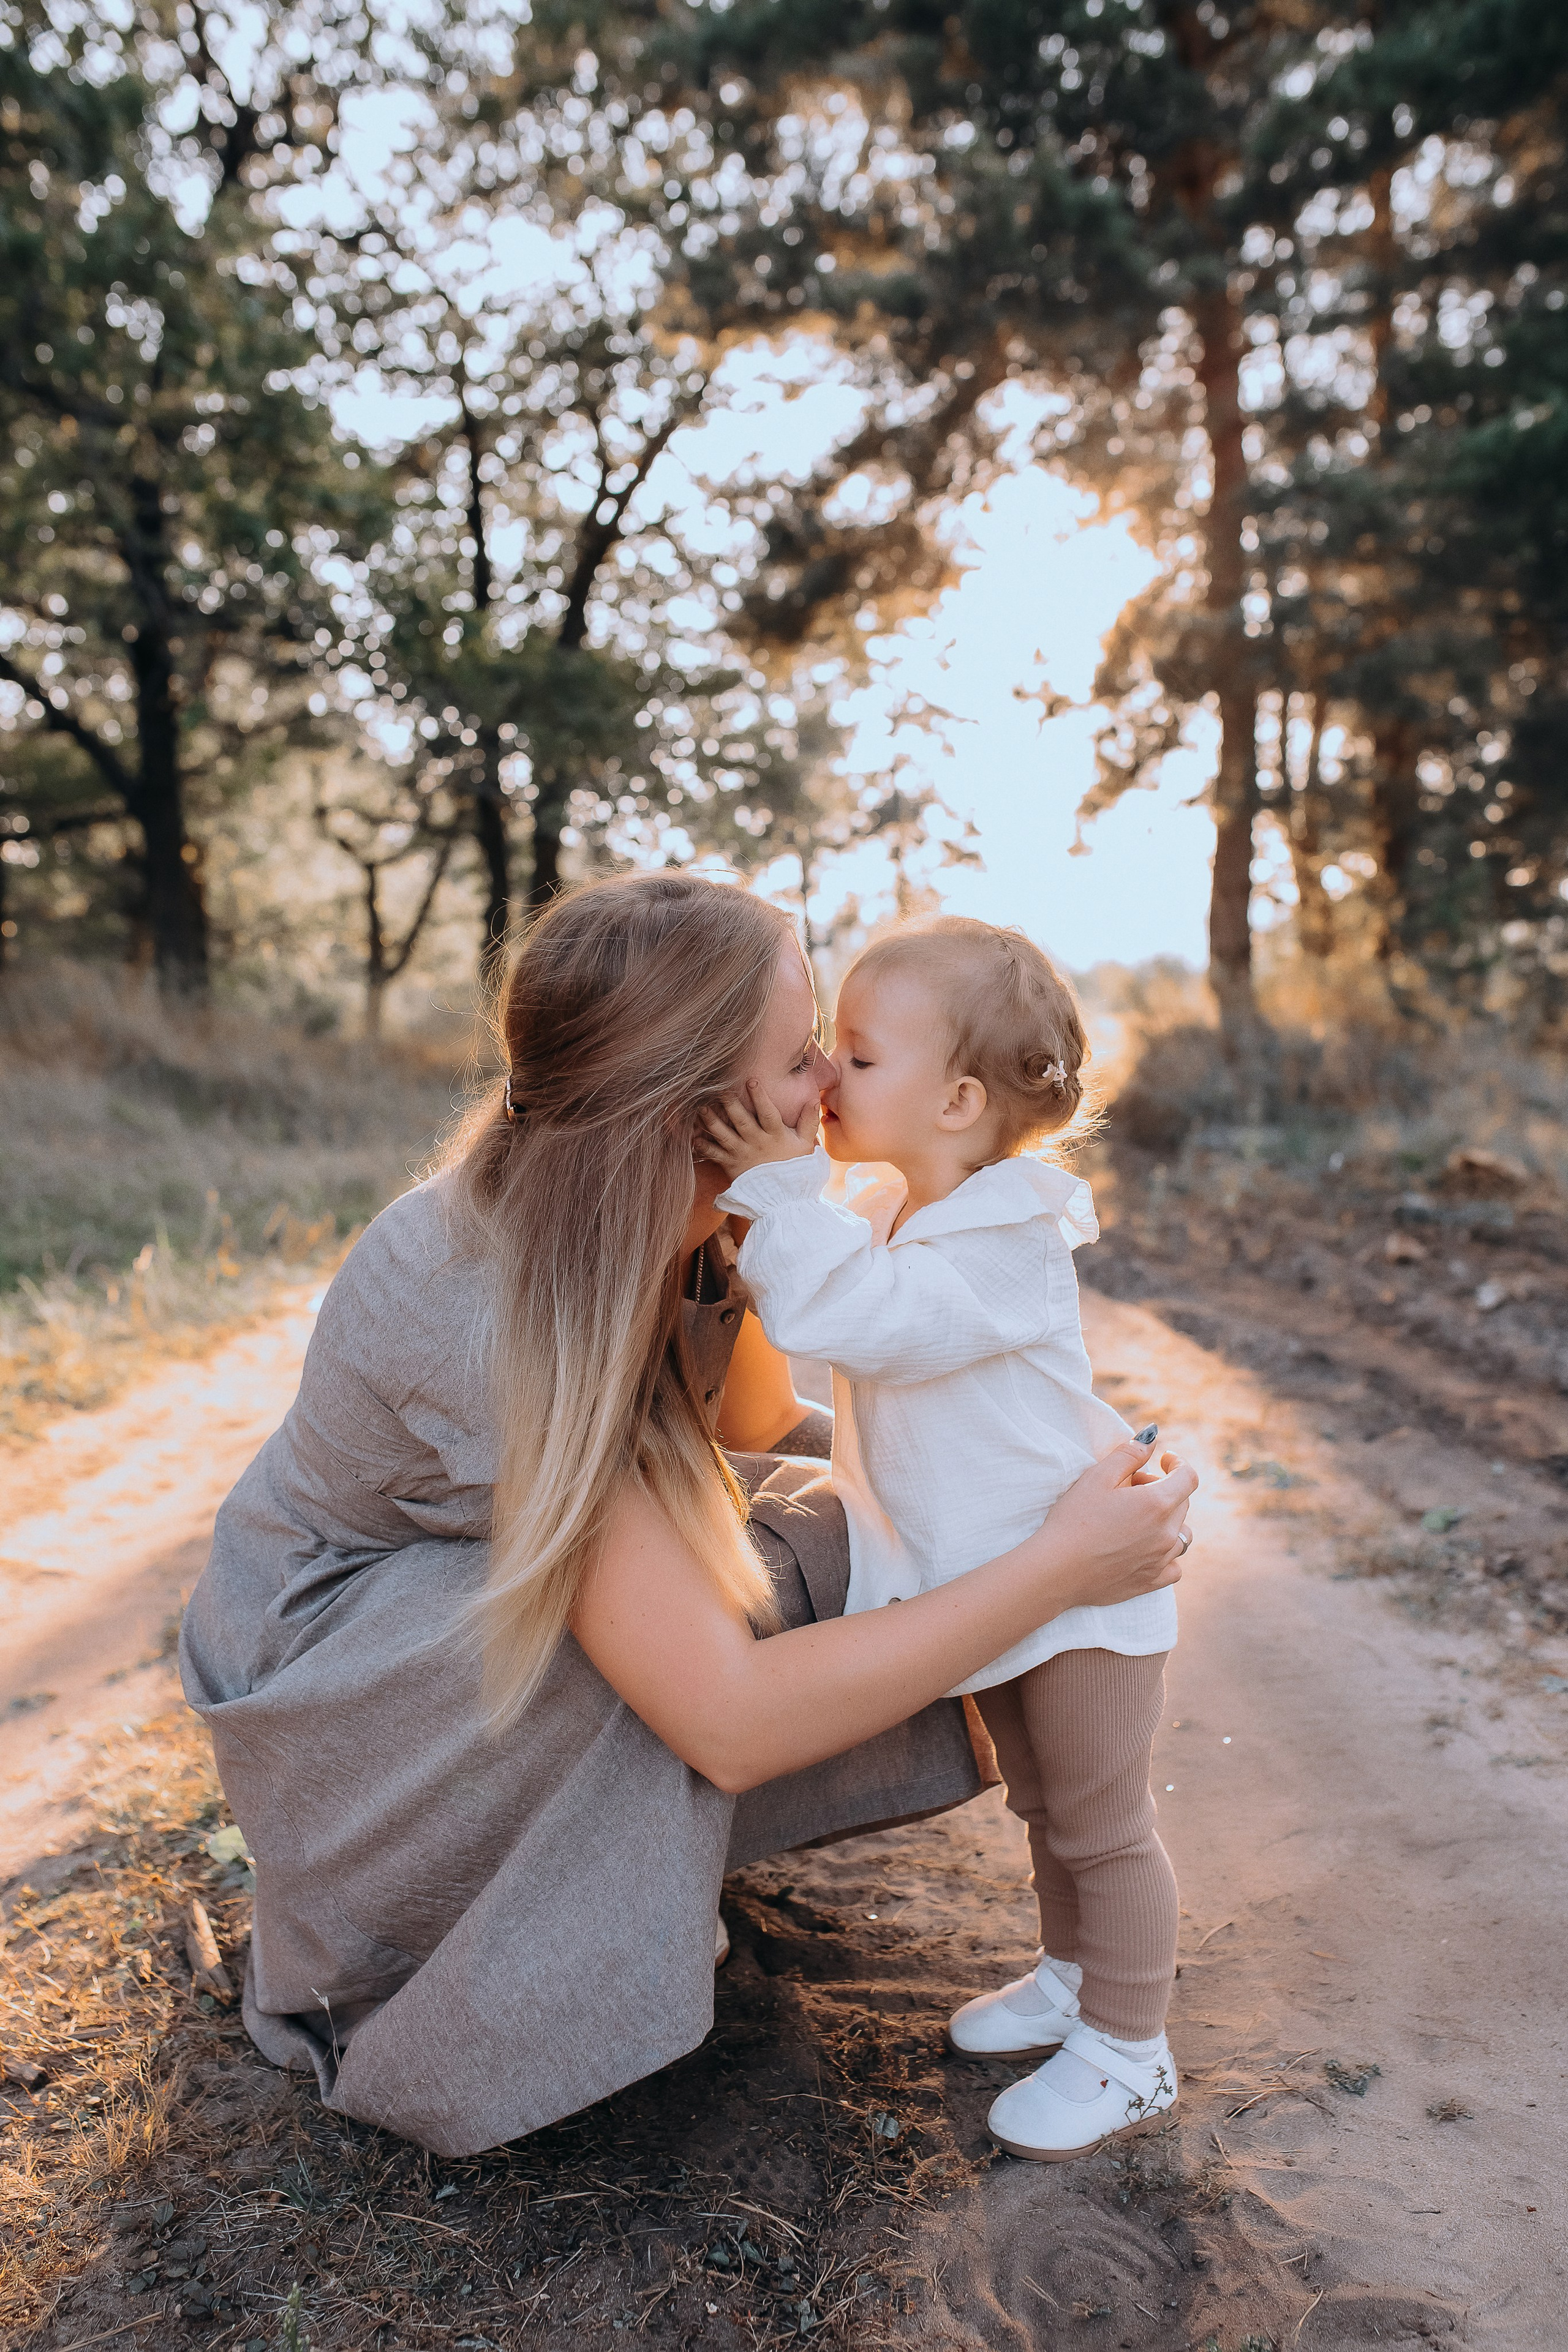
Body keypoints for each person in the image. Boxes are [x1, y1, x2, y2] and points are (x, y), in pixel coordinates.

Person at [179, 875, 1193, 2158]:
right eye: (800, 1051)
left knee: (871, 1534)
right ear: (685, 1105)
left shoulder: (683, 1201)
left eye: (835, 1045)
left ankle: (619, 1876)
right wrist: (1058, 1563)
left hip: (446, 1600)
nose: (824, 1077)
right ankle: (453, 1926)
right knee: (772, 1597)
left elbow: (760, 1424)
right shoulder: (479, 1300)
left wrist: (1023, 1488)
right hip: (345, 1689)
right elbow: (730, 1721)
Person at [703, 914, 1189, 2162]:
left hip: (1083, 1589)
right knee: (1043, 1804)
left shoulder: (1005, 1236)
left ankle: (1130, 2050)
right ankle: (1073, 1977)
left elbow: (849, 1317)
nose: (825, 1072)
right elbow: (833, 1283)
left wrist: (773, 1185)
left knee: (1100, 1823)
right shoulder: (899, 1206)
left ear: (959, 1102)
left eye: (859, 1057)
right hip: (1015, 1580)